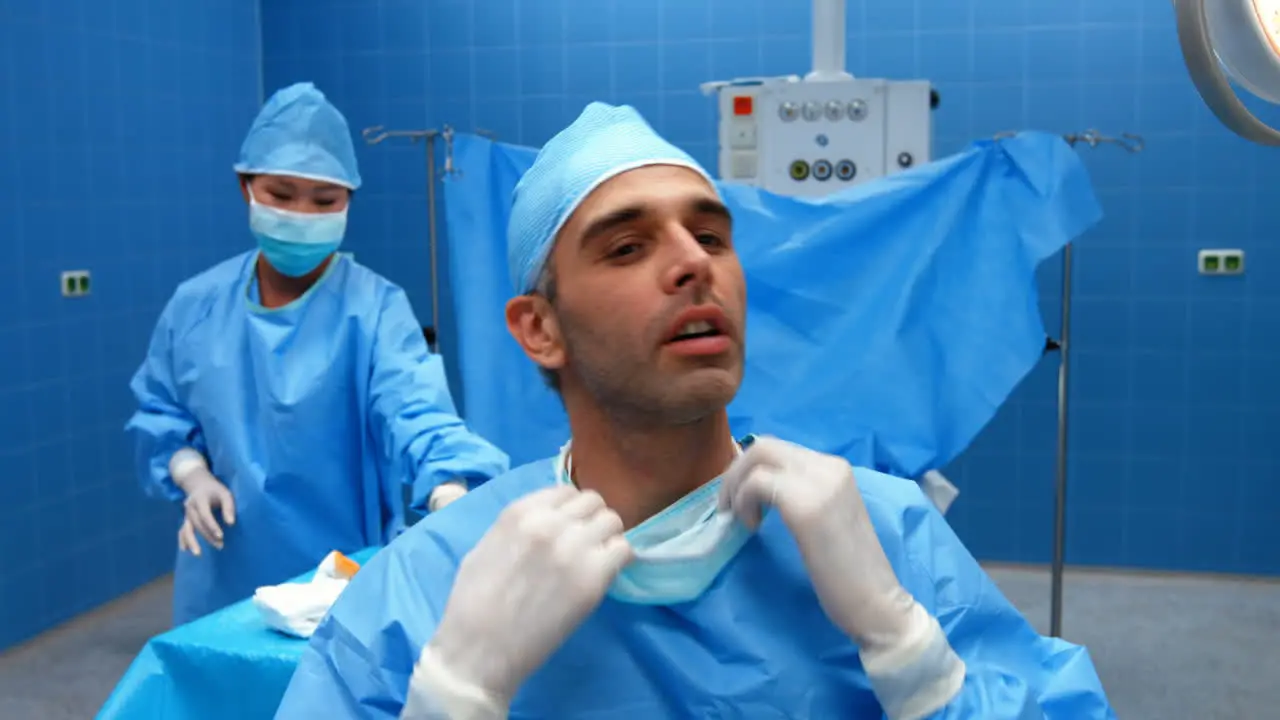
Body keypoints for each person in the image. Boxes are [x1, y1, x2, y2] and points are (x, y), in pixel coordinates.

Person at [274, 103, 1115, 719]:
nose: (691, 264)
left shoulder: (887, 536)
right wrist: (455, 697)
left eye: (711, 237)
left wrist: (912, 658)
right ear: (539, 330)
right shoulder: (426, 586)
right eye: (628, 246)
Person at [125, 82, 510, 626]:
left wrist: (451, 488)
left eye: (324, 200)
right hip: (224, 574)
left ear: (349, 200)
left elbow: (416, 411)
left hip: (341, 574)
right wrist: (191, 475)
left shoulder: (375, 309)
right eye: (281, 194)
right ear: (246, 188)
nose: (301, 214)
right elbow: (162, 412)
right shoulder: (196, 306)